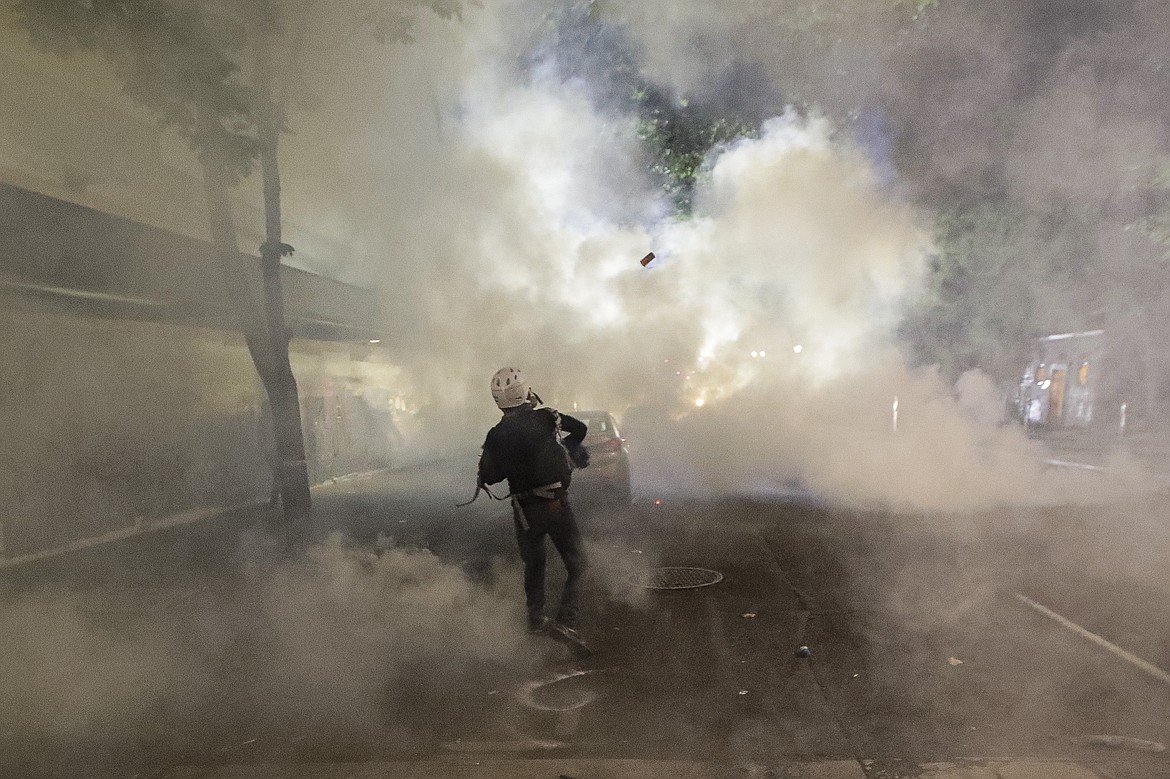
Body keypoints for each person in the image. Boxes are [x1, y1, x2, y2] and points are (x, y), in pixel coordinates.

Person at [477, 367, 591, 653]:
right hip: (555, 504)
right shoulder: (546, 417)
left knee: (534, 565)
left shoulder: (496, 435)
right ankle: (566, 620)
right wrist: (569, 448)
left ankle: (536, 619)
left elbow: (490, 476)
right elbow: (580, 429)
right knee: (578, 564)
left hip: (525, 512)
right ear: (525, 392)